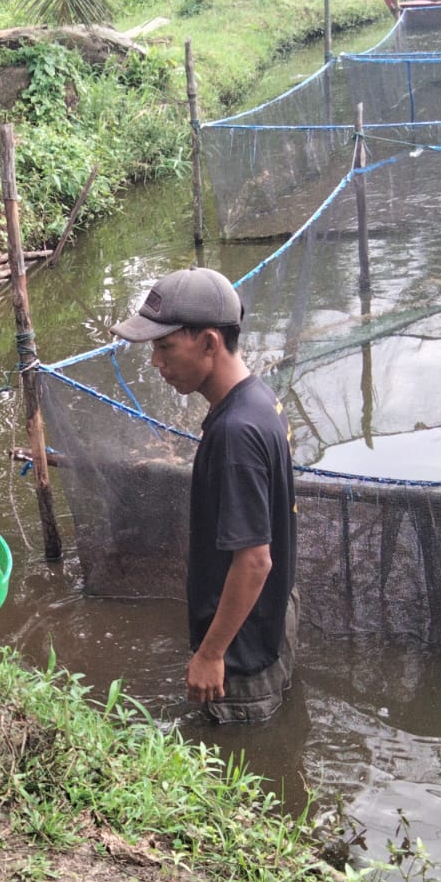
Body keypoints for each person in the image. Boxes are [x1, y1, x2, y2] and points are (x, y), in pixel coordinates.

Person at [112, 266, 298, 725]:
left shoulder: (236, 432)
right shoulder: (259, 401)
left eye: (165, 346)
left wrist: (212, 654)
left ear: (210, 343)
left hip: (242, 651)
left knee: (241, 770)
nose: (156, 362)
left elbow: (255, 561)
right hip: (269, 620)